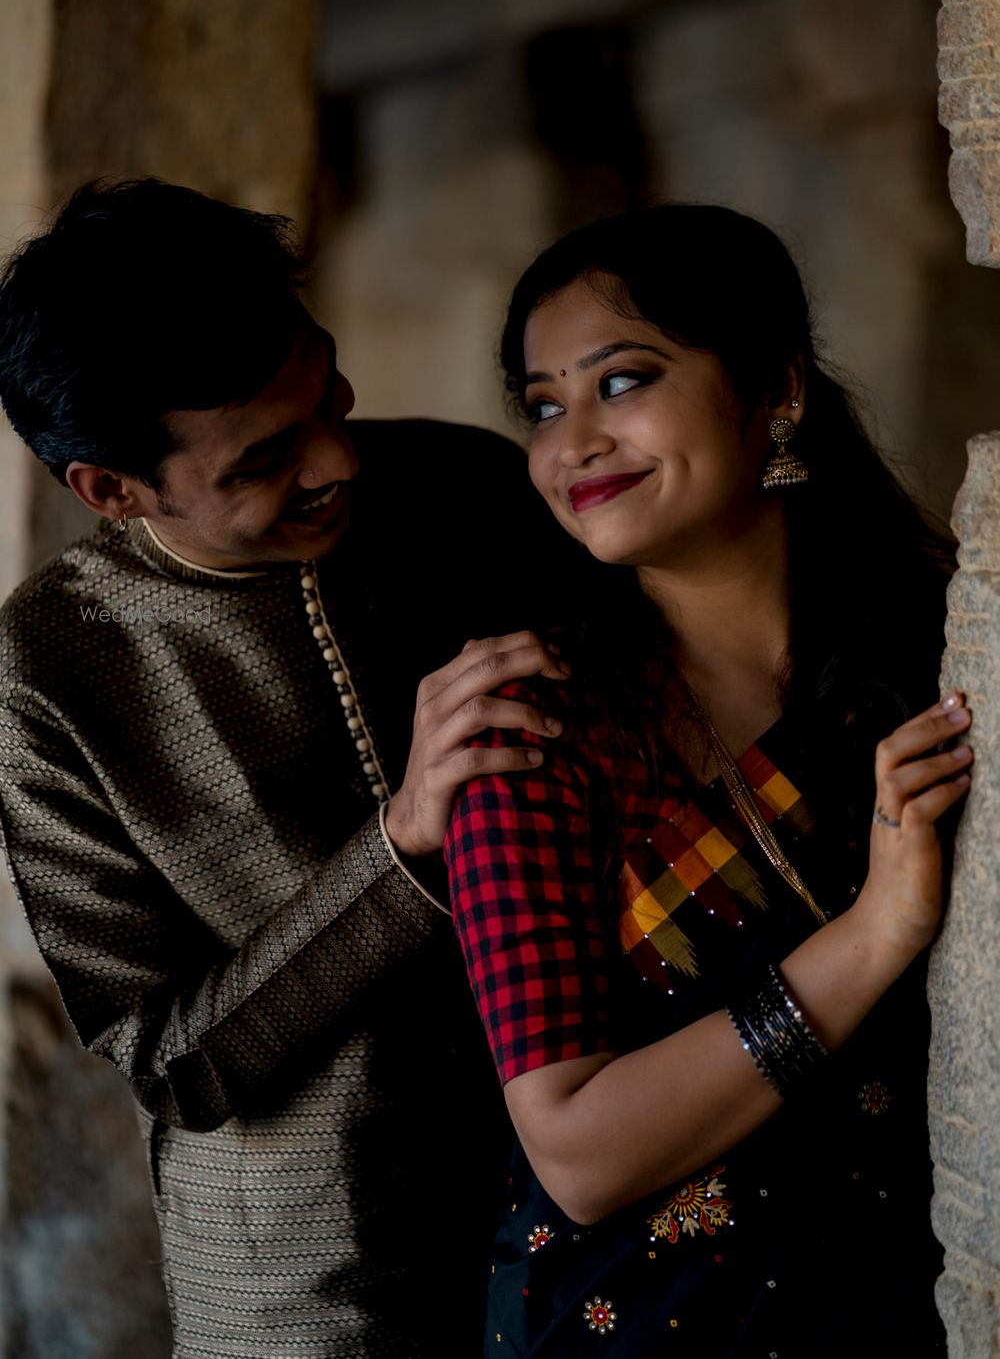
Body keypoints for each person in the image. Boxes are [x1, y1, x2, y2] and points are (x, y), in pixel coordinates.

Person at [0, 177, 575, 1358]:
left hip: (578, 1199)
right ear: (112, 490)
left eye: (331, 389)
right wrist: (404, 839)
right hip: (311, 1292)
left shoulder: (467, 489)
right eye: (265, 460)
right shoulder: (49, 673)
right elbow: (176, 1064)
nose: (338, 462)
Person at [443, 204, 965, 1356]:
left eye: (621, 382)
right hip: (642, 1324)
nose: (570, 441)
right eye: (541, 405)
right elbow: (578, 1154)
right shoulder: (528, 732)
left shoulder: (940, 651)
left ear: (775, 390)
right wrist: (874, 933)